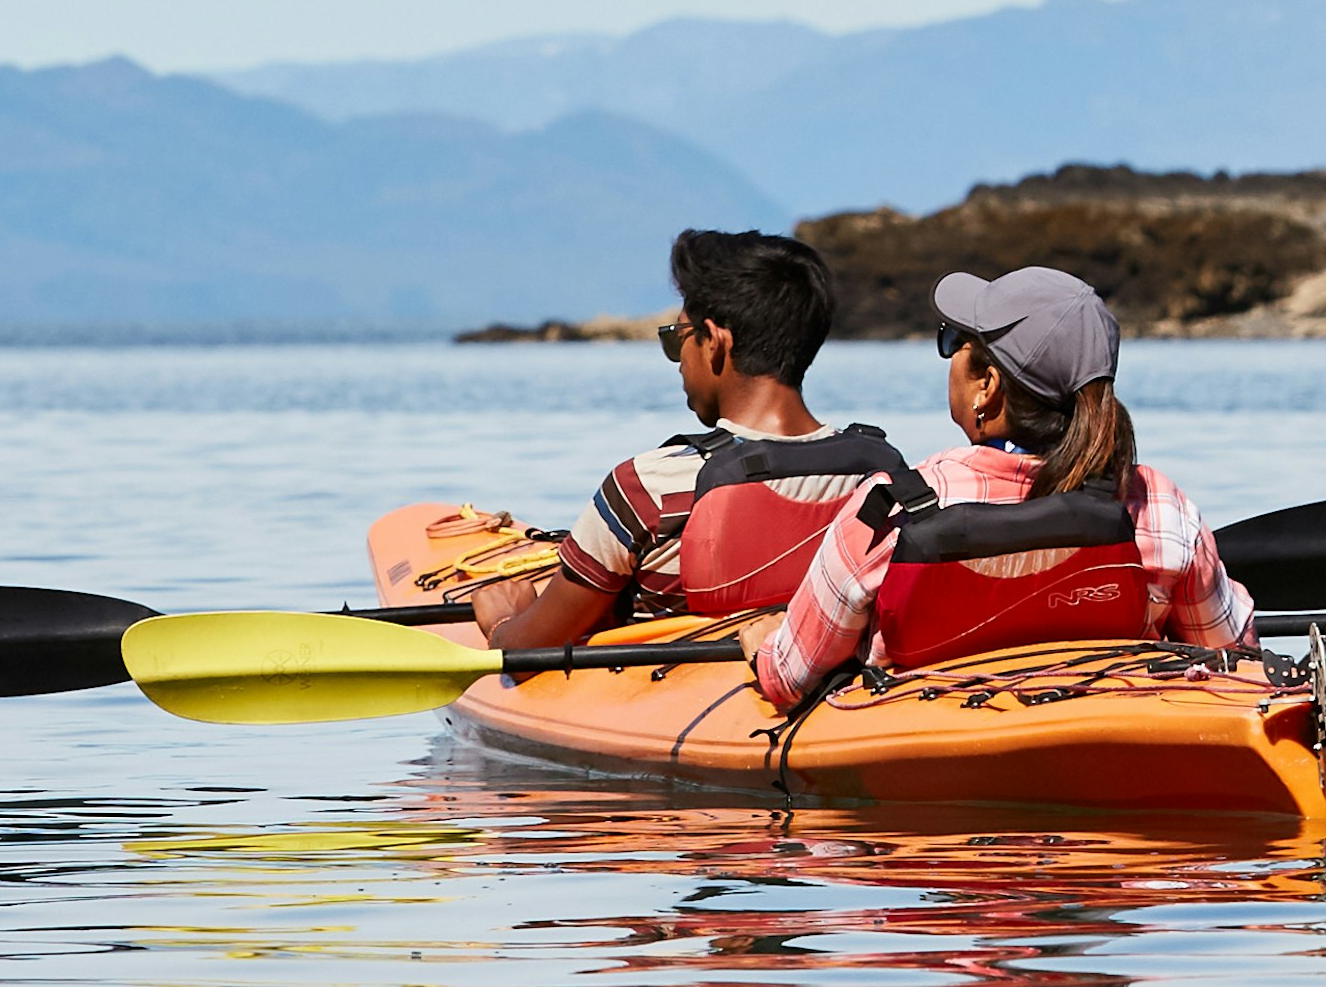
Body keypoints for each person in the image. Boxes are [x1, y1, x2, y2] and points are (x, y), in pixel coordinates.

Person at [747, 262, 1252, 711]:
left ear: (987, 383)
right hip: (1107, 725)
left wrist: (761, 642)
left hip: (927, 744)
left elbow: (789, 678)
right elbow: (1233, 654)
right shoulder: (1160, 506)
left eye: (952, 341)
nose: (947, 355)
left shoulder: (893, 508)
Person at [468, 228, 919, 657]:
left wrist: (503, 622)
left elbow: (529, 647)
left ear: (715, 343)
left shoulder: (648, 488)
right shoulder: (883, 475)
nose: (677, 360)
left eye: (677, 339)